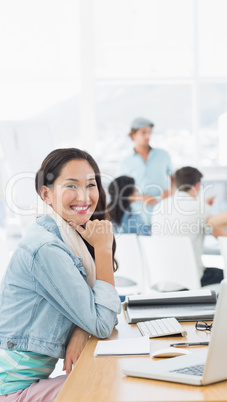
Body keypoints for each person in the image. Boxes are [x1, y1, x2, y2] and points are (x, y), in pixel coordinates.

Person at [0, 148, 121, 401]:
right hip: (11, 391)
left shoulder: (65, 237)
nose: (84, 196)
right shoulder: (47, 248)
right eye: (72, 186)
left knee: (110, 377)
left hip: (22, 383)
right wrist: (103, 248)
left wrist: (81, 327)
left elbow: (100, 315)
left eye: (90, 185)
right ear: (46, 193)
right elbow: (103, 322)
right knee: (108, 384)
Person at [151, 166, 227, 287]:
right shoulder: (201, 208)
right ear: (196, 185)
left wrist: (203, 205)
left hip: (161, 281)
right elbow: (225, 239)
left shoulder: (159, 207)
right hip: (189, 281)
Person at [120, 117, 173, 224]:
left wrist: (171, 191)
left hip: (162, 213)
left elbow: (175, 178)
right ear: (133, 135)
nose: (148, 136)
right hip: (137, 216)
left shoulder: (163, 155)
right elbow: (121, 192)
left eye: (149, 132)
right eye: (143, 133)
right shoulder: (125, 162)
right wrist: (140, 198)